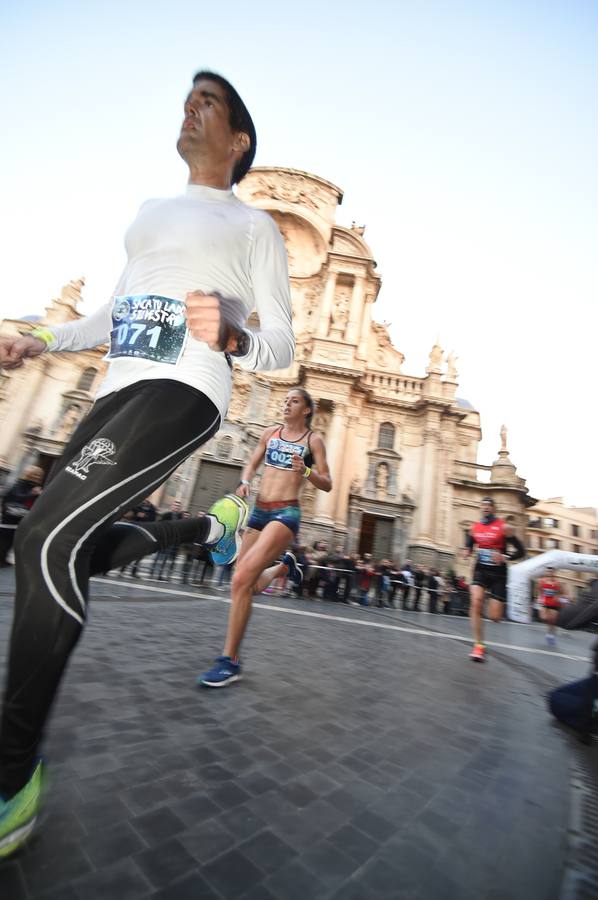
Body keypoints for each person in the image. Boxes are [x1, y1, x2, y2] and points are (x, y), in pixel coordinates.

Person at [0, 69, 295, 857]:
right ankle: (210, 524)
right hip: (115, 392)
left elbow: (283, 347)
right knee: (62, 547)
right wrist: (40, 339)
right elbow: (111, 311)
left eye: (211, 101)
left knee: (43, 544)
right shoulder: (149, 212)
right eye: (188, 96)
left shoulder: (255, 225)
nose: (191, 106)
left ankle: (11, 774)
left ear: (237, 142)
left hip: (186, 388)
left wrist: (231, 337)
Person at [199, 388, 331, 687]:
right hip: (259, 511)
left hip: (286, 514)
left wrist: (306, 470)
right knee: (247, 583)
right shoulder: (271, 433)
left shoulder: (313, 441)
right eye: (285, 400)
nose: (287, 404)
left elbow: (327, 483)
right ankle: (284, 567)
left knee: (239, 579)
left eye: (294, 401)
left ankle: (230, 661)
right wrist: (245, 481)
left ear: (307, 409)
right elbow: (252, 463)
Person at [462, 497, 525, 662]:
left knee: (494, 616)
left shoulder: (504, 527)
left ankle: (493, 601)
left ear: (494, 509)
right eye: (482, 505)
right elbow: (468, 545)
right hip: (481, 570)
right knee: (475, 602)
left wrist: (505, 556)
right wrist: (467, 552)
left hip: (499, 574)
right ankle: (478, 646)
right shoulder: (474, 528)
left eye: (489, 505)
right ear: (480, 509)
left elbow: (521, 551)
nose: (485, 508)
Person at [0, 466, 44, 567]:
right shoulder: (20, 483)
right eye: (36, 475)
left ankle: (3, 557)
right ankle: (1, 558)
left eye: (39, 476)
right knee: (5, 537)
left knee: (12, 538)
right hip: (11, 515)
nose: (37, 478)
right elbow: (17, 497)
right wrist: (33, 493)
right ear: (29, 475)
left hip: (20, 515)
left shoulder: (33, 486)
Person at [150, 500, 185, 581]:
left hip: (172, 541)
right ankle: (152, 572)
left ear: (180, 508)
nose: (176, 507)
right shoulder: (166, 515)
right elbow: (160, 525)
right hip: (164, 539)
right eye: (175, 506)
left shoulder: (180, 517)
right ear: (172, 506)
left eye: (178, 506)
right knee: (159, 557)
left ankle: (160, 575)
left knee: (166, 559)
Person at [538, 566, 563, 646]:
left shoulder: (558, 583)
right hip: (545, 603)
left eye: (552, 571)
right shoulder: (542, 581)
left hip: (554, 604)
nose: (550, 573)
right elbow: (539, 591)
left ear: (554, 573)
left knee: (553, 620)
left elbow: (561, 592)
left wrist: (558, 596)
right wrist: (539, 598)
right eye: (548, 571)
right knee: (544, 617)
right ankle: (550, 633)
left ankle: (550, 635)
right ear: (547, 573)